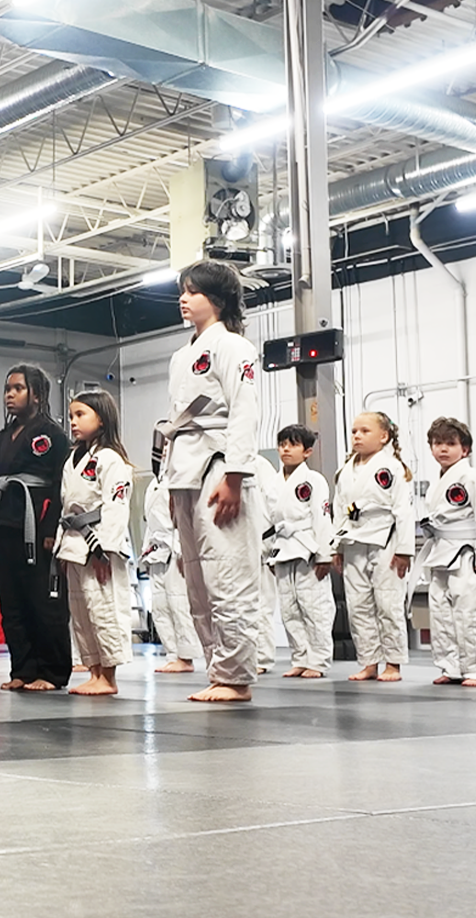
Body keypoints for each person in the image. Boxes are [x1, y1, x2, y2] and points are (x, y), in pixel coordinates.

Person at [162, 260, 261, 702]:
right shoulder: (181, 355)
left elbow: (244, 410)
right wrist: (169, 486)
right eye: (182, 290)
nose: (184, 298)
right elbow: (176, 425)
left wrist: (235, 476)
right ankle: (217, 669)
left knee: (227, 574)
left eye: (193, 291)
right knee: (197, 581)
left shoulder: (235, 347)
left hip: (219, 466)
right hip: (184, 470)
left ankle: (237, 676)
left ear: (216, 299)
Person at [0, 364, 71, 692]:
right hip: (5, 525)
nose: (9, 395)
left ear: (38, 394)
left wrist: (51, 529)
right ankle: (22, 667)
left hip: (38, 527)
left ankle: (52, 671)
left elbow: (60, 486)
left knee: (44, 602)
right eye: (7, 389)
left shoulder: (54, 435)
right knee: (12, 603)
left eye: (17, 388)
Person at [54, 391, 134, 695]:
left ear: (101, 419)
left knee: (103, 608)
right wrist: (62, 545)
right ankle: (94, 670)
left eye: (81, 415)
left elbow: (116, 506)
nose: (73, 422)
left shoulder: (111, 459)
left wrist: (105, 549)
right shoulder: (74, 459)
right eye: (71, 416)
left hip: (98, 544)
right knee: (82, 611)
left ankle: (109, 677)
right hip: (74, 544)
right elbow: (66, 509)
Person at [332, 412, 414, 682]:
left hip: (385, 539)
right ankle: (368, 662)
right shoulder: (346, 470)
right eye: (354, 431)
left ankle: (393, 663)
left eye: (364, 431)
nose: (356, 435)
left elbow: (404, 511)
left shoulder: (392, 468)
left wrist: (404, 549)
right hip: (354, 539)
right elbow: (339, 511)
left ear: (384, 436)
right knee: (358, 605)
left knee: (388, 603)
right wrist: (336, 547)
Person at [420, 417, 476, 687]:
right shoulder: (436, 483)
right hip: (441, 551)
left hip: (467, 551)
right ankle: (451, 665)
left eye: (450, 444)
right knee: (441, 612)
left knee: (470, 611)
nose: (443, 449)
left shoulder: (473, 478)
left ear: (465, 449)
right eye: (437, 443)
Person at [268, 424, 335, 678]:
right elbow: (268, 522)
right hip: (282, 549)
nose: (285, 449)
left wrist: (324, 555)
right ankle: (300, 657)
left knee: (314, 607)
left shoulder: (314, 480)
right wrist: (269, 554)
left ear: (307, 451)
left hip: (308, 548)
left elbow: (322, 517)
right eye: (282, 444)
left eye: (293, 444)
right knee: (289, 608)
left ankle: (318, 661)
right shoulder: (273, 483)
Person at [140, 472, 202, 673]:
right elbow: (150, 522)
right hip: (156, 549)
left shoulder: (181, 477)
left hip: (176, 546)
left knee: (178, 602)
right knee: (159, 606)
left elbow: (186, 517)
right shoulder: (154, 482)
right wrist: (145, 551)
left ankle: (186, 656)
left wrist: (184, 549)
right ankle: (172, 653)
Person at [253, 453, 280, 674]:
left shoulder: (260, 465)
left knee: (261, 605)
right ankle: (244, 655)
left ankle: (262, 658)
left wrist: (272, 545)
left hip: (261, 544)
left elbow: (275, 507)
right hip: (235, 544)